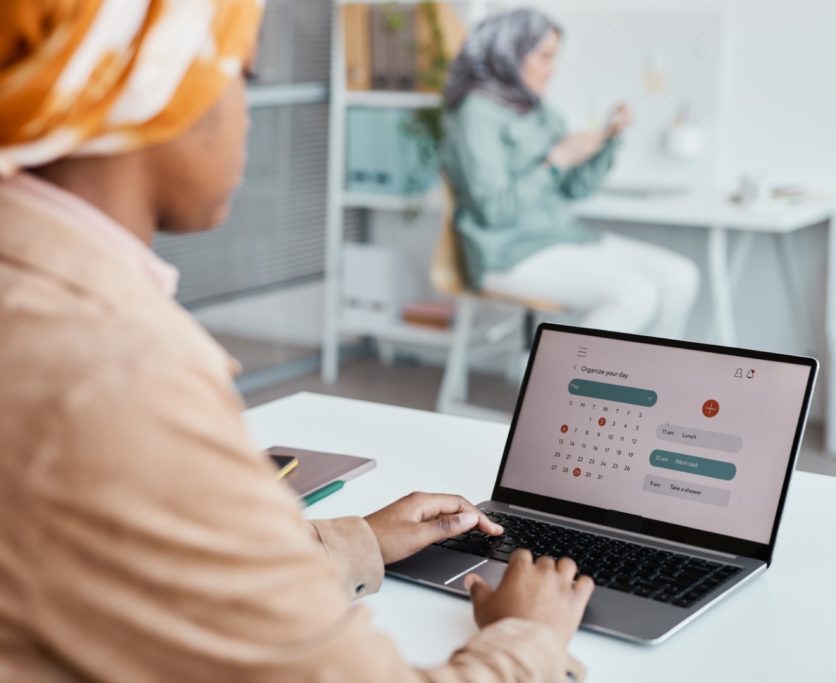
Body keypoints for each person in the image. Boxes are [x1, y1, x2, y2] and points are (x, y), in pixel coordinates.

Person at [0, 2, 593, 681]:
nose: (249, 116)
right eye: (243, 77)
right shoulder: (119, 374)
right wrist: (529, 636)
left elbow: (122, 560)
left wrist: (358, 541)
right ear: (152, 79)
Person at [440, 8, 700, 337]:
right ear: (508, 52)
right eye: (544, 56)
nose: (553, 68)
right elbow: (494, 210)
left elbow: (575, 190)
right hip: (507, 254)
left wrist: (607, 142)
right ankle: (568, 385)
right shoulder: (475, 114)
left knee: (679, 275)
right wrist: (556, 160)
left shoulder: (539, 110)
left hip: (561, 237)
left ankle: (650, 381)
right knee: (634, 295)